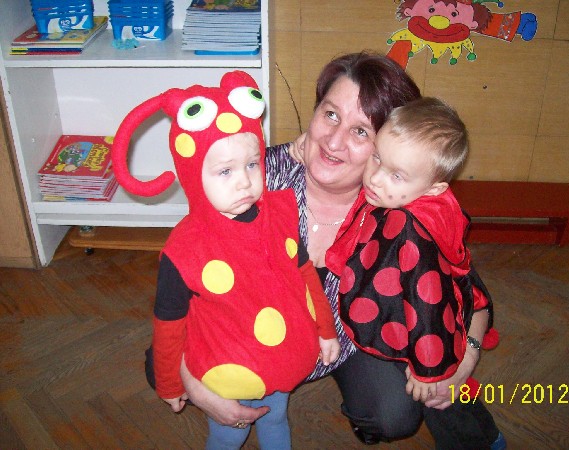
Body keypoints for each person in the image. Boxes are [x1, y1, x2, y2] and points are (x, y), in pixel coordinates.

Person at [167, 51, 494, 447]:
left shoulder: (400, 204)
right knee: (174, 367)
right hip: (254, 338)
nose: (335, 141)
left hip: (348, 340)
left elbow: (469, 294)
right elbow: (183, 278)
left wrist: (465, 358)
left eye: (361, 132)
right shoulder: (255, 176)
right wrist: (191, 381)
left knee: (395, 412)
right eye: (331, 115)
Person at [112, 70, 340, 449]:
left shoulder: (279, 213)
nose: (244, 181)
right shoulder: (184, 249)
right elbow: (169, 324)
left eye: (252, 164)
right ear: (193, 174)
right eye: (225, 171)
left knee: (276, 418)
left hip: (282, 359)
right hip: (227, 370)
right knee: (227, 434)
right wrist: (170, 382)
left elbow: (305, 276)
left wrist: (325, 329)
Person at [325, 97, 505, 449]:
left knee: (437, 395)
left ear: (434, 188)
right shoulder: (400, 197)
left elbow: (428, 304)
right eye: (377, 157)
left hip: (424, 334)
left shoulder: (411, 233)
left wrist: (429, 368)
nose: (375, 178)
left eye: (396, 175)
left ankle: (481, 442)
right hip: (402, 314)